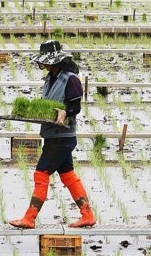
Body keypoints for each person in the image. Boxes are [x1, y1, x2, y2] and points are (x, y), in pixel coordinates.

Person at [8, 40, 96, 229]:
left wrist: (66, 112)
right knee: (68, 175)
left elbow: (76, 106)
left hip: (62, 137)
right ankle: (87, 215)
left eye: (47, 61)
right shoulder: (51, 78)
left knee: (41, 173)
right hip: (52, 135)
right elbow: (47, 104)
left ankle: (29, 218)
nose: (45, 65)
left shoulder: (70, 78)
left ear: (56, 61)